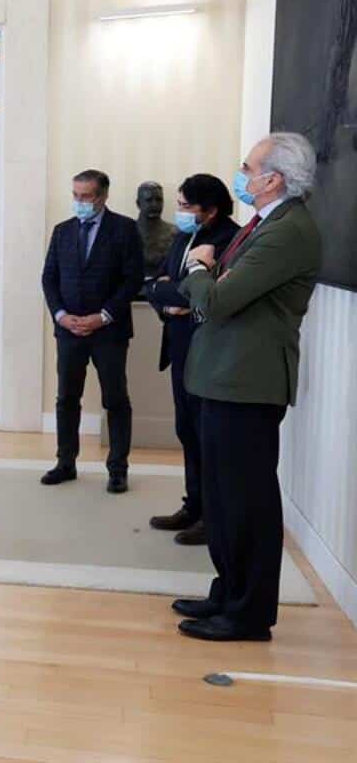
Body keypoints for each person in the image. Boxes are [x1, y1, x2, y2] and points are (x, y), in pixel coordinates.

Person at [173, 133, 321, 642]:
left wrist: (197, 268)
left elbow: (217, 300)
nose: (241, 173)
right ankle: (228, 591)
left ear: (273, 177)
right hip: (225, 378)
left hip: (248, 383)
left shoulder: (287, 231)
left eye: (247, 166)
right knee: (221, 495)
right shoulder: (267, 222)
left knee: (247, 502)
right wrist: (211, 275)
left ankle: (249, 613)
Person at [143, 175, 239, 546]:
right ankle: (193, 504)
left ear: (210, 210)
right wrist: (166, 299)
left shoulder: (229, 239)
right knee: (186, 430)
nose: (178, 213)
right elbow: (157, 284)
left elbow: (203, 293)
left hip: (209, 351)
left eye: (186, 206)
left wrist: (174, 292)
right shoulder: (184, 237)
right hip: (180, 346)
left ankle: (212, 519)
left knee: (207, 436)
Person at [41, 170, 144, 493]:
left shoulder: (125, 229)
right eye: (76, 195)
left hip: (108, 332)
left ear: (103, 196)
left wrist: (103, 316)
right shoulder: (62, 231)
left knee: (115, 399)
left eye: (86, 196)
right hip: (69, 330)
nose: (80, 202)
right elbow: (49, 278)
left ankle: (117, 468)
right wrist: (60, 315)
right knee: (67, 398)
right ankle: (65, 462)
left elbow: (133, 279)